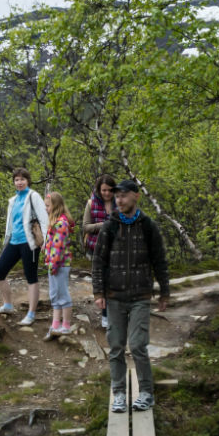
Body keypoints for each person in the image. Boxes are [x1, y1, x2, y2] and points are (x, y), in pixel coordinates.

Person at [92, 178, 170, 413]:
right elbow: (99, 261)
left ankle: (146, 392)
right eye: (116, 196)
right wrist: (98, 292)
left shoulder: (148, 225)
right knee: (115, 346)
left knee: (137, 345)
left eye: (123, 195)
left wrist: (164, 292)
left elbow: (160, 261)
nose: (119, 199)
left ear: (136, 196)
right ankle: (118, 394)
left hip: (140, 296)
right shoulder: (109, 226)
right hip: (114, 296)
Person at [0, 167, 49, 326]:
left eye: (22, 179)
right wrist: (6, 241)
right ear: (14, 182)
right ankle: (7, 305)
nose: (19, 182)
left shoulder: (34, 196)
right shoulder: (13, 200)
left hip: (29, 242)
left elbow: (44, 219)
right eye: (16, 180)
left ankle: (31, 313)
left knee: (31, 277)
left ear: (27, 181)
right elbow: (10, 224)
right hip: (14, 241)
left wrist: (46, 241)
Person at [80, 174, 117, 329]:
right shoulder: (91, 203)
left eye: (109, 190)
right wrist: (103, 225)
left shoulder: (120, 202)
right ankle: (105, 316)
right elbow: (85, 226)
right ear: (99, 190)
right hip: (98, 248)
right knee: (103, 282)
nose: (107, 193)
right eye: (104, 190)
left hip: (117, 248)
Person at [42, 191, 76, 339]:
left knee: (63, 294)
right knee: (54, 294)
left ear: (55, 206)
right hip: (53, 264)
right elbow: (51, 243)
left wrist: (53, 265)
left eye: (48, 206)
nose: (45, 208)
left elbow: (58, 247)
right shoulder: (54, 222)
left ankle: (66, 325)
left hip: (60, 265)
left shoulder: (61, 223)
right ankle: (55, 323)